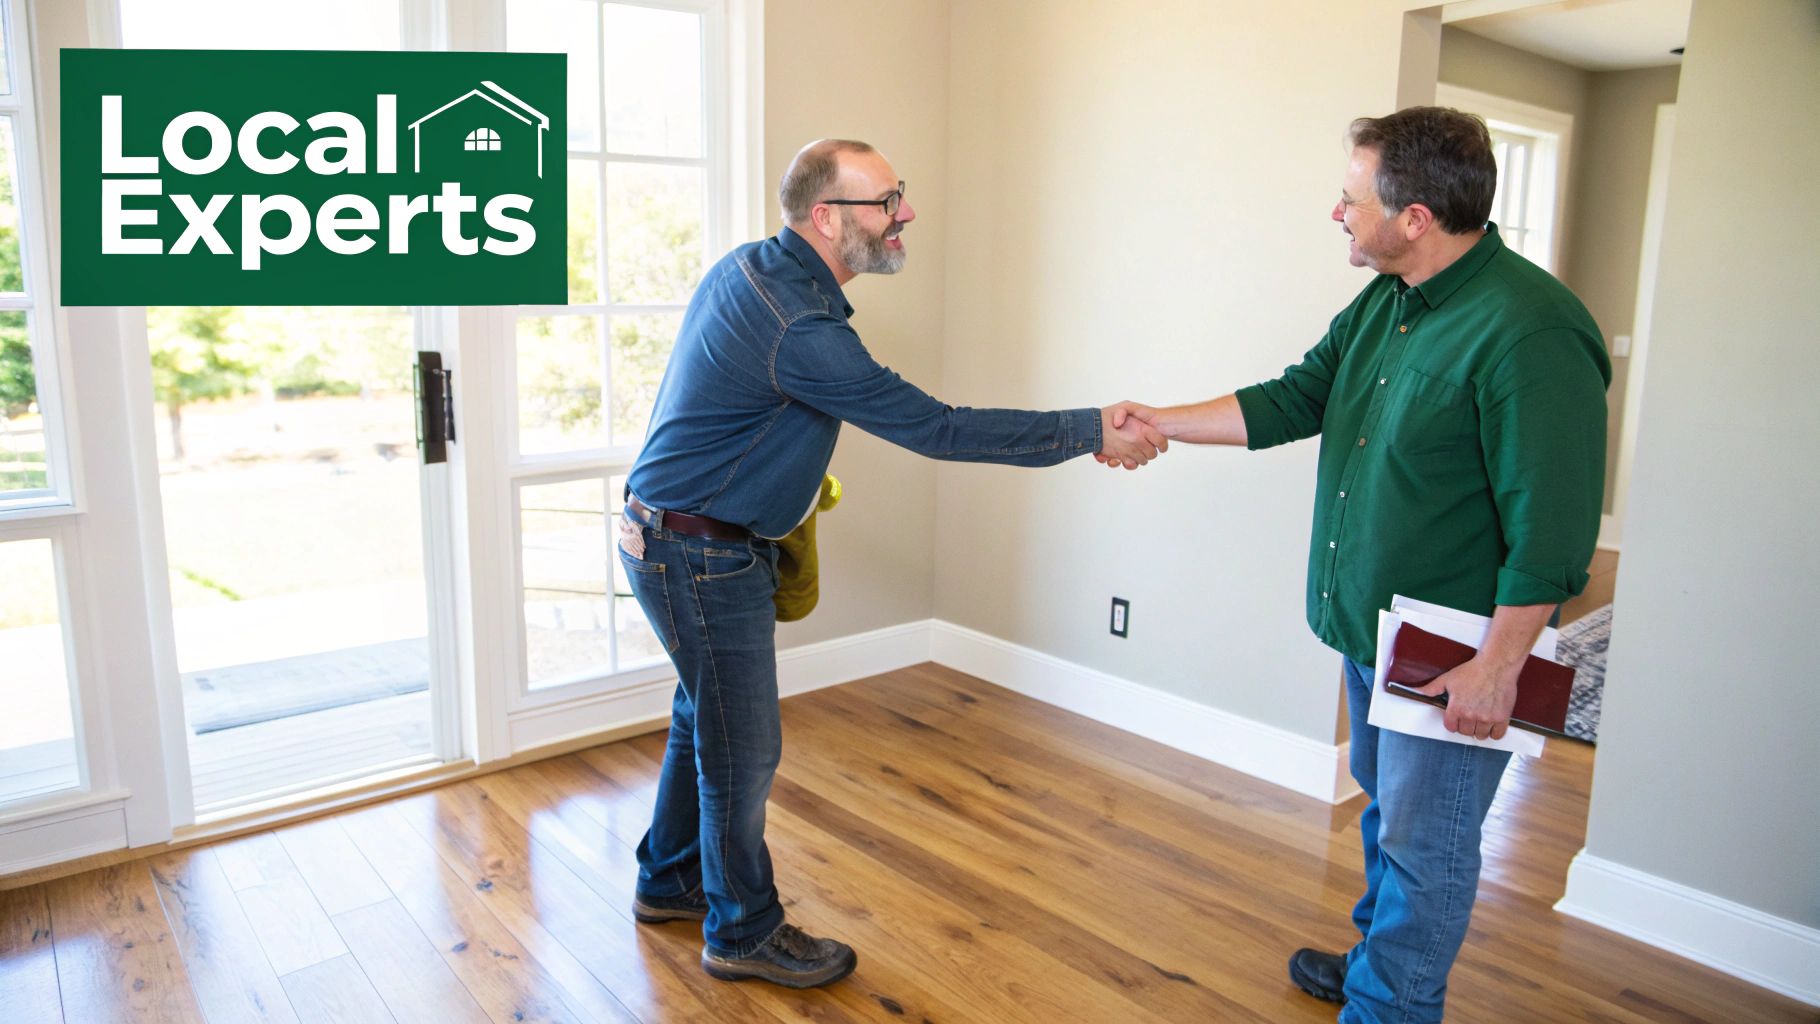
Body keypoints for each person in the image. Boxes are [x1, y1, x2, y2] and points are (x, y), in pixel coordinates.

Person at [618, 138, 1166, 989]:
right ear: (828, 218)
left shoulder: (757, 269)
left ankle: (670, 878)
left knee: (707, 718)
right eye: (885, 201)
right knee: (743, 749)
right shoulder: (799, 323)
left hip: (674, 534)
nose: (904, 212)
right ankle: (742, 931)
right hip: (696, 551)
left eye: (898, 193)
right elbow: (938, 427)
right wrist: (1091, 428)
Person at [1113, 107, 1609, 1022]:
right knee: (1388, 818)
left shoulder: (1532, 334)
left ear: (1414, 216)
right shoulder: (1388, 301)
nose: (1337, 213)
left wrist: (1498, 670)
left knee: (1432, 848)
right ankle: (1380, 962)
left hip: (1454, 656)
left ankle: (1390, 1006)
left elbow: (1553, 533)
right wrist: (1158, 423)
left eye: (1350, 199)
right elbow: (1299, 395)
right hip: (1373, 632)